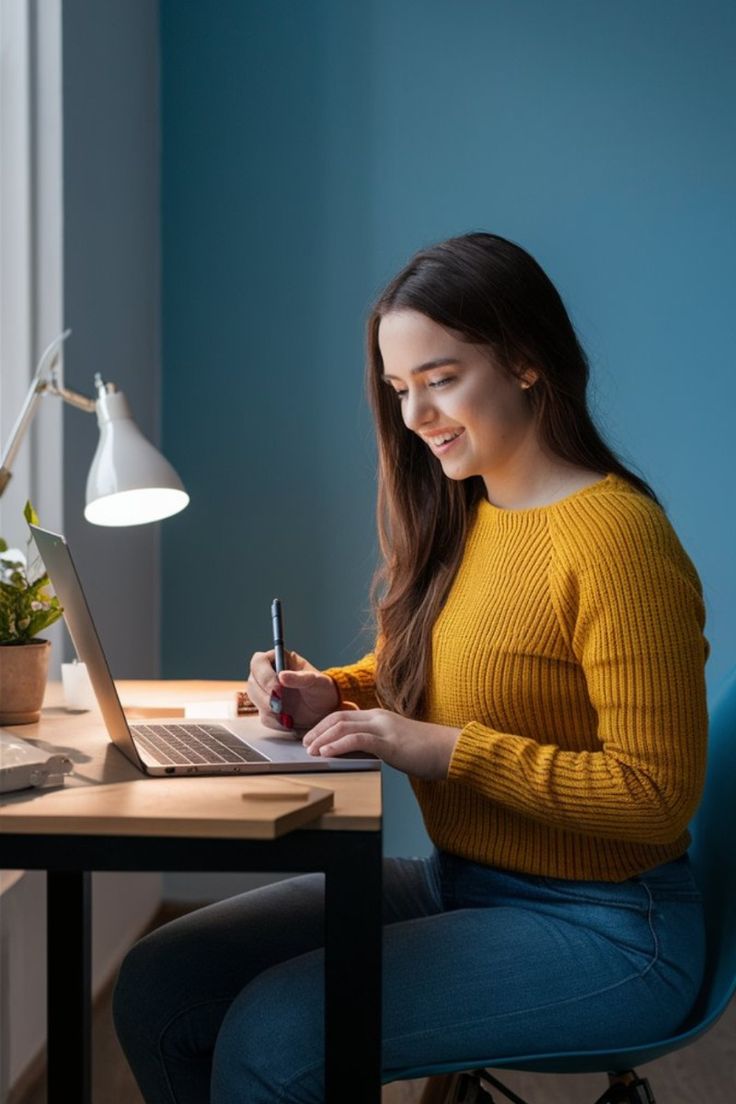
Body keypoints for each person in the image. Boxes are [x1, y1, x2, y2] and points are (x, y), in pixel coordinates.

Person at [113, 232, 709, 1104]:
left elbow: (656, 795)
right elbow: (437, 669)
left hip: (615, 926)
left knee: (276, 1040)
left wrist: (440, 748)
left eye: (440, 379)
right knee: (161, 984)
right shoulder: (471, 513)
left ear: (526, 360)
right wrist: (335, 691)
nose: (415, 416)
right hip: (463, 880)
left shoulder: (617, 540)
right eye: (399, 390)